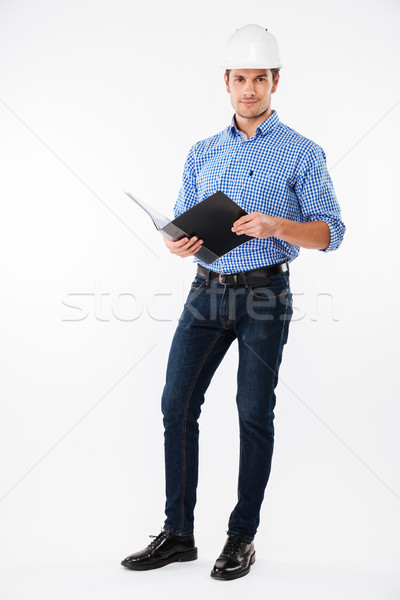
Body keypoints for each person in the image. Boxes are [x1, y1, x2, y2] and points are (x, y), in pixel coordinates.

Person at [121, 24, 345, 580]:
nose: (250, 89)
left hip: (266, 294)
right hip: (206, 293)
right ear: (226, 82)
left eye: (260, 79)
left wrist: (278, 225)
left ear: (275, 82)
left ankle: (241, 538)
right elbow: (179, 228)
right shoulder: (203, 151)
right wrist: (178, 243)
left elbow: (331, 232)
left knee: (253, 413)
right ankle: (178, 534)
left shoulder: (302, 152)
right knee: (177, 405)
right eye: (240, 79)